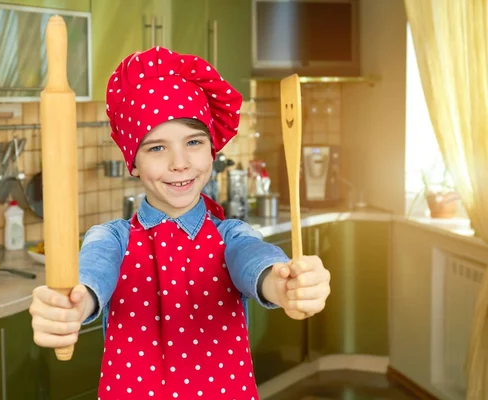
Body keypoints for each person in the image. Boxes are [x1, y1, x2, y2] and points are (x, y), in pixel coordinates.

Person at [30, 46, 331, 399]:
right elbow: (91, 275)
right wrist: (70, 306)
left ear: (212, 150)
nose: (180, 163)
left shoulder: (232, 235)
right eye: (156, 148)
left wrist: (287, 287)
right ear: (133, 162)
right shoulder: (111, 239)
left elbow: (256, 261)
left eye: (193, 142)